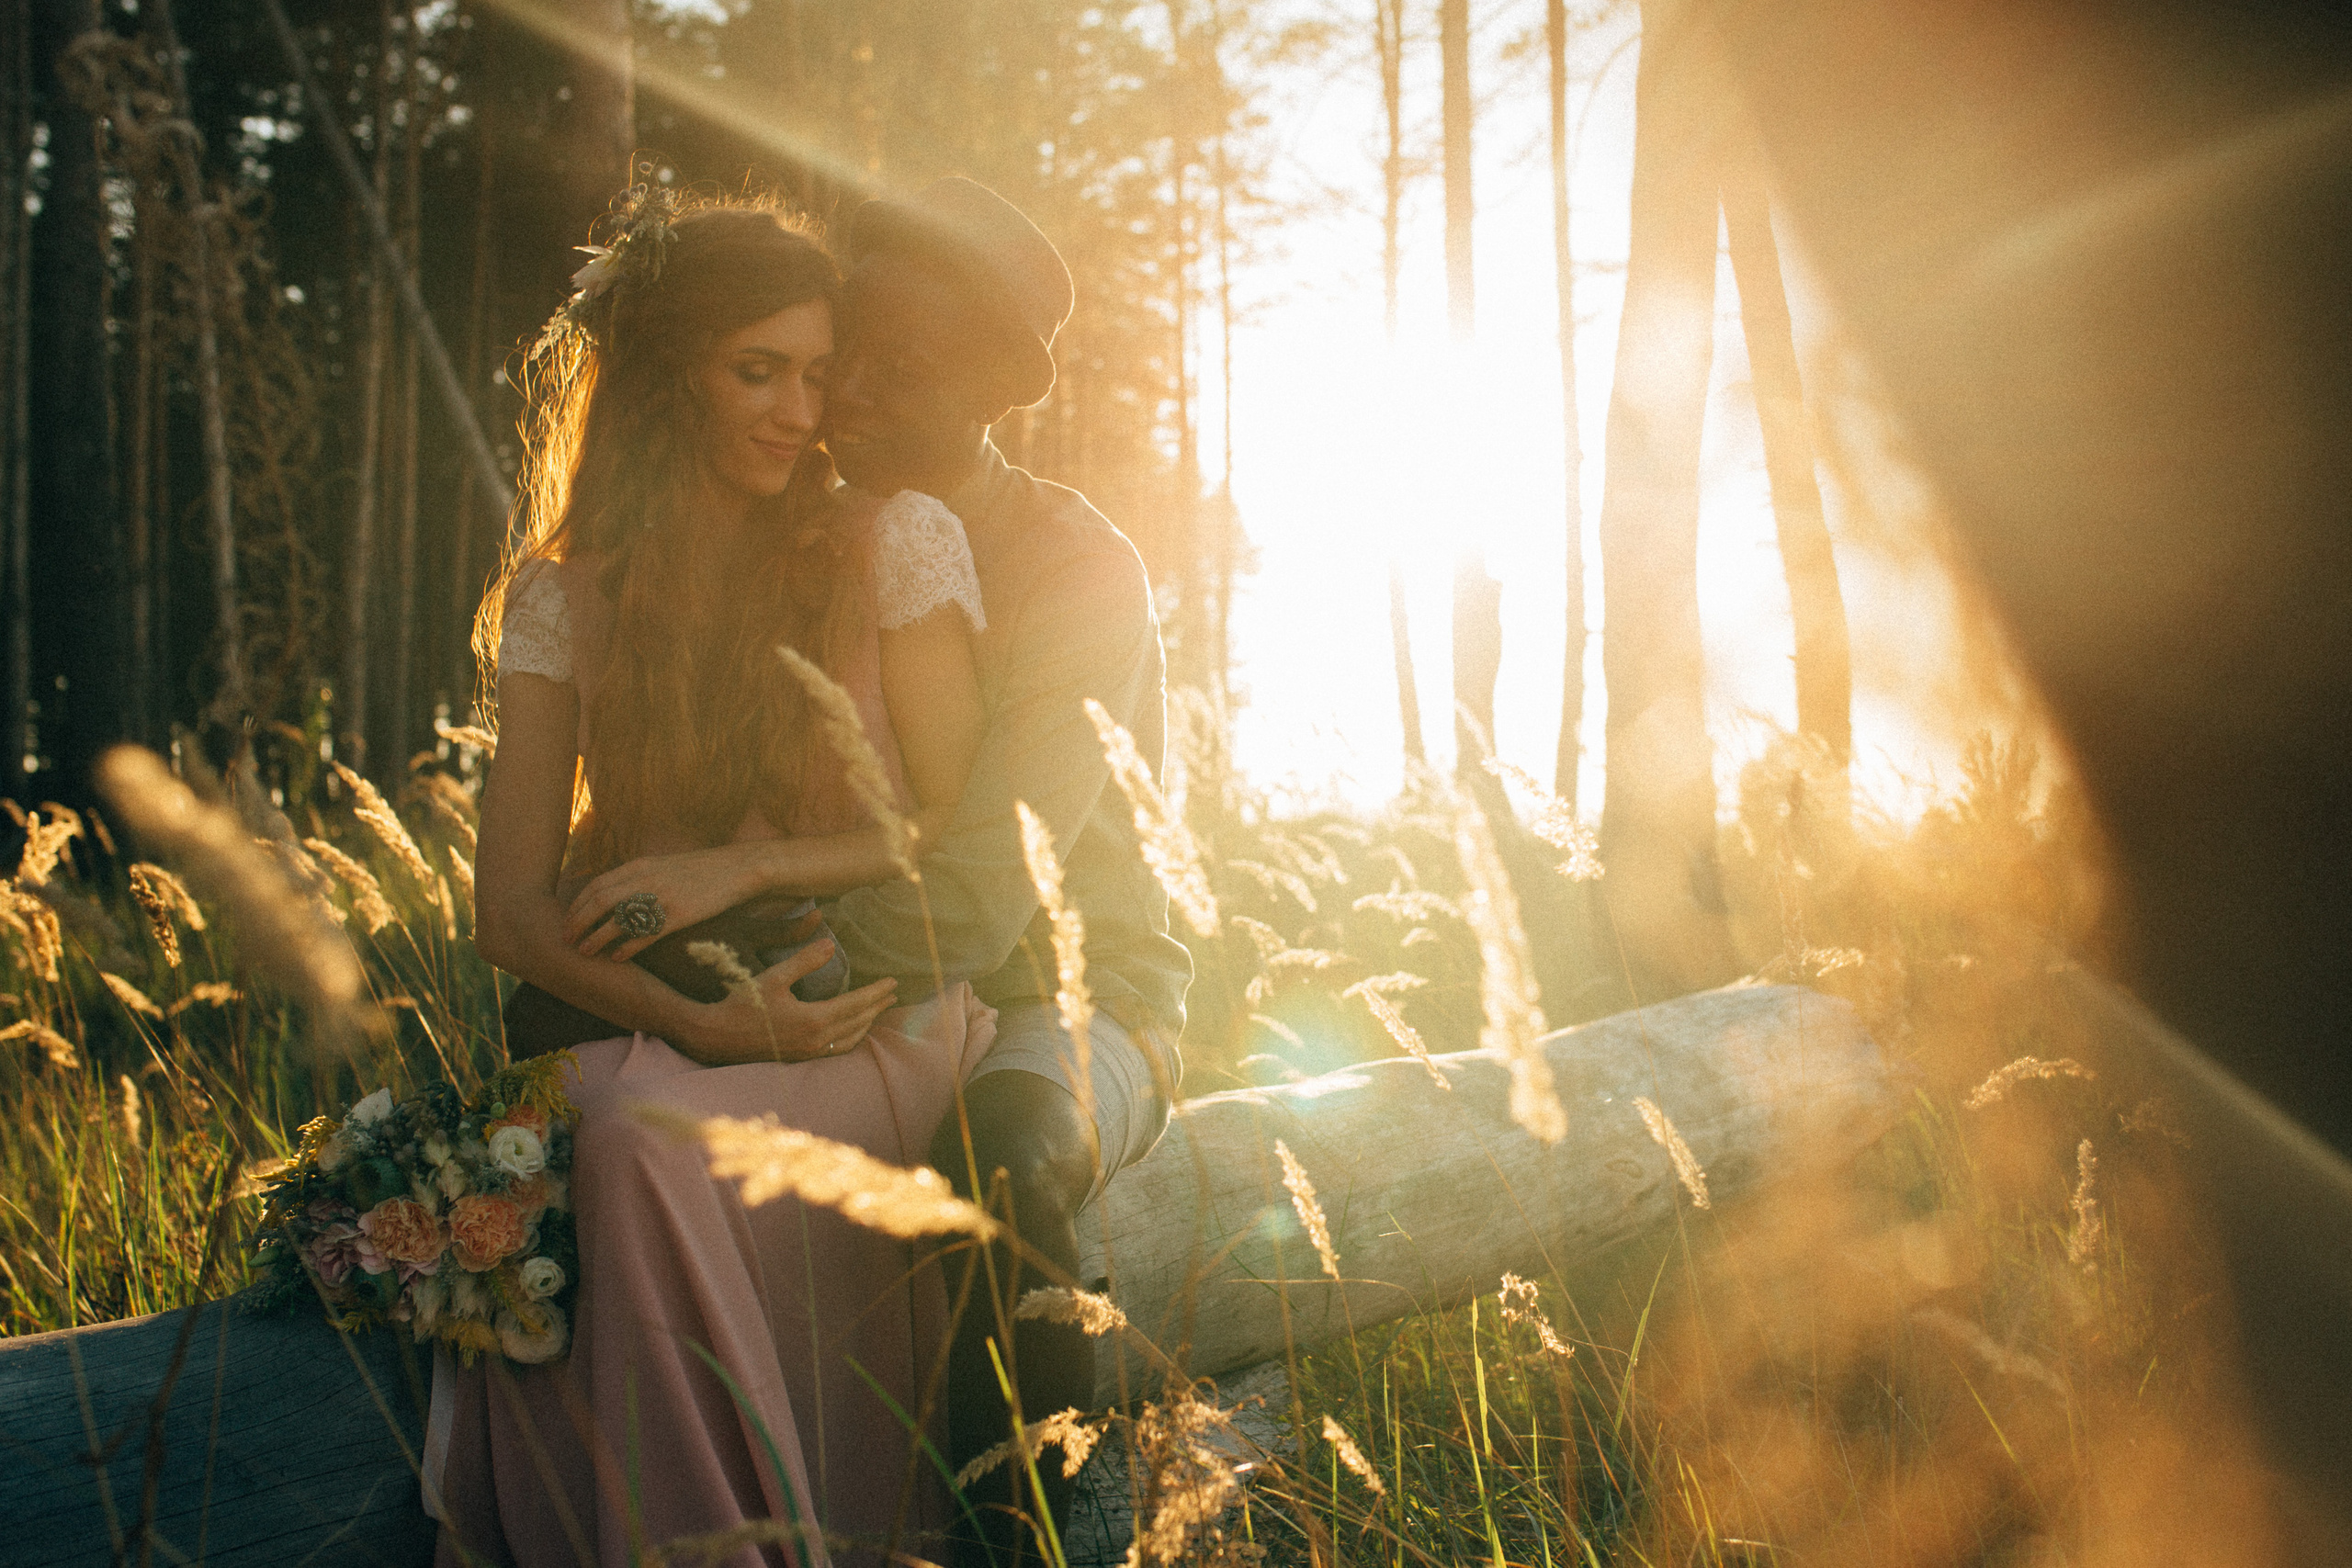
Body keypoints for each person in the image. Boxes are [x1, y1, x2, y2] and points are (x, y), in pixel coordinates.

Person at [439, 189, 1001, 1568]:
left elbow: (954, 825)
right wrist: (700, 1022)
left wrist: (738, 866)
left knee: (639, 1143)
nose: (800, 412)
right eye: (759, 371)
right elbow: (508, 913)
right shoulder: (567, 593)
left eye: (816, 373)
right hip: (670, 1015)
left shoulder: (894, 540)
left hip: (871, 1012)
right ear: (664, 375)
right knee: (568, 1135)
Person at [815, 176, 1195, 1562]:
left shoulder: (1077, 564)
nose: (851, 390)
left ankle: (1030, 1536)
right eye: (846, 350)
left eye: (904, 367)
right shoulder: (803, 527)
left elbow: (990, 878)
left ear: (992, 390)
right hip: (879, 974)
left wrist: (769, 981)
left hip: (1073, 995)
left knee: (1002, 1160)